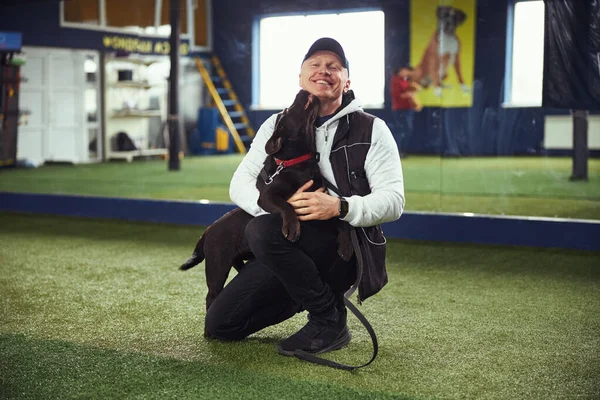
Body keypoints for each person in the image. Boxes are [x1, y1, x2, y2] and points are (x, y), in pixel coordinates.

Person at [205, 37, 405, 360]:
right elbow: (239, 183)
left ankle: (329, 318)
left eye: (333, 67)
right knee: (220, 323)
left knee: (260, 231)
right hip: (287, 243)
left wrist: (340, 207)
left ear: (347, 80)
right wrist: (283, 209)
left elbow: (394, 200)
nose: (323, 71)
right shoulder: (278, 124)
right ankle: (302, 293)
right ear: (300, 78)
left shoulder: (372, 130)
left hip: (342, 249)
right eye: (315, 65)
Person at [390, 66, 421, 156]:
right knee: (401, 130)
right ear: (401, 70)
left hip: (408, 109)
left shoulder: (406, 80)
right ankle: (398, 151)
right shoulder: (396, 80)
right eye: (406, 71)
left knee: (407, 129)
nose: (407, 73)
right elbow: (397, 95)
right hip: (400, 109)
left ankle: (403, 150)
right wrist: (409, 95)